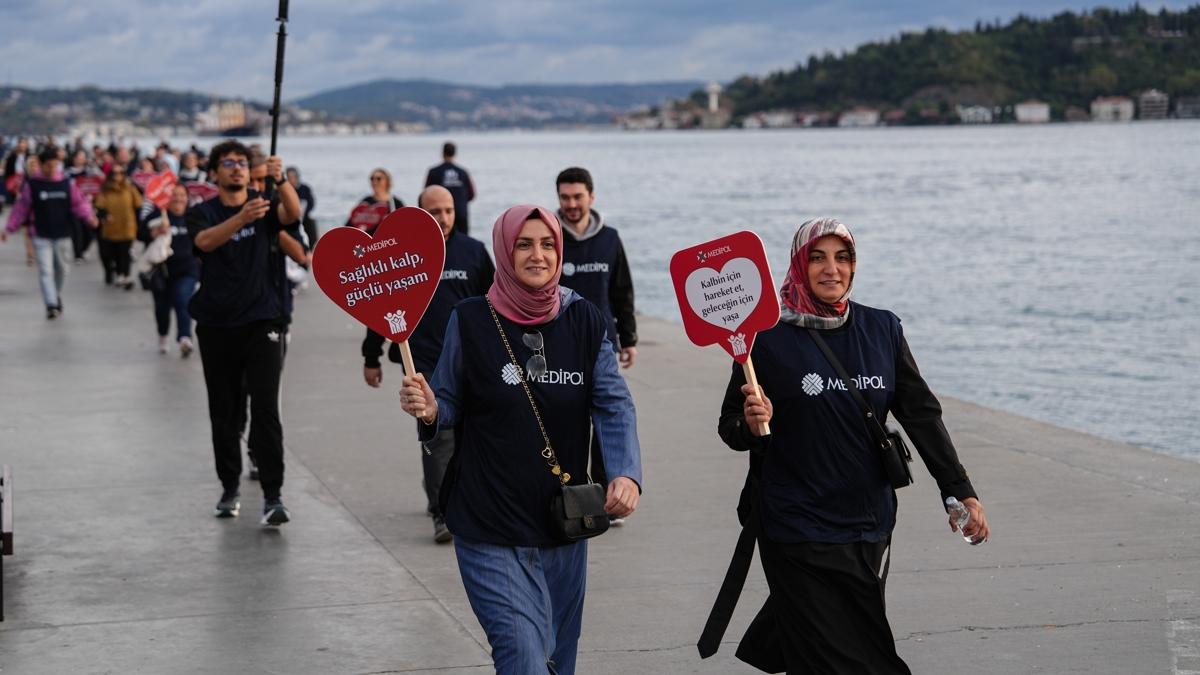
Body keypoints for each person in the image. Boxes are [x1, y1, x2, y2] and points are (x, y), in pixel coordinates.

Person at [715, 217, 990, 674]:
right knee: (845, 658)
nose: (831, 269)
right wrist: (750, 422)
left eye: (842, 257)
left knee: (851, 642)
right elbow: (730, 427)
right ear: (799, 264)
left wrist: (958, 490)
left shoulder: (882, 329)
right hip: (794, 524)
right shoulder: (763, 337)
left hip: (868, 523)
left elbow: (921, 415)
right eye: (817, 258)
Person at [399, 205, 642, 674]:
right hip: (488, 519)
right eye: (523, 245)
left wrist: (626, 472)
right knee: (523, 657)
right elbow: (447, 401)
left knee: (557, 658)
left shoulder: (585, 320)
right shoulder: (470, 319)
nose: (538, 255)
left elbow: (614, 403)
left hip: (565, 523)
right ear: (504, 254)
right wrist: (429, 408)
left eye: (547, 244)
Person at [362, 185, 494, 543]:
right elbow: (379, 307)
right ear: (421, 213)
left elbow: (495, 305)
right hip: (423, 362)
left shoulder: (474, 252)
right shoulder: (404, 254)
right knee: (438, 438)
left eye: (449, 210)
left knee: (472, 437)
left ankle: (465, 497)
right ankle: (441, 512)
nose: (444, 218)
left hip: (471, 361)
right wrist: (371, 355)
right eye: (434, 212)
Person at [187, 140, 303, 526]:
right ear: (215, 172)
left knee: (266, 410)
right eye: (228, 163)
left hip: (262, 322)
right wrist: (241, 219)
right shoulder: (202, 212)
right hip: (217, 326)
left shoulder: (263, 204)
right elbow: (203, 243)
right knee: (224, 412)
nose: (237, 169)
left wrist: (280, 179)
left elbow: (292, 213)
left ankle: (273, 495)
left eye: (241, 163)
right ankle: (229, 487)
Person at [555, 166, 638, 518]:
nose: (571, 204)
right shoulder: (551, 236)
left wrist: (629, 338)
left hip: (602, 344)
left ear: (591, 196)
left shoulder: (610, 238)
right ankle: (569, 492)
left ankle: (608, 497)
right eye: (564, 197)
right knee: (568, 423)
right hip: (558, 345)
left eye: (577, 196)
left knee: (608, 417)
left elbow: (622, 290)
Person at [2, 146, 97, 318]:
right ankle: (51, 304)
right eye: (49, 166)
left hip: (63, 234)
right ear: (42, 165)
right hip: (40, 234)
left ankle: (55, 293)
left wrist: (89, 217)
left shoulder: (66, 183)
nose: (52, 169)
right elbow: (21, 209)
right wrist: (9, 228)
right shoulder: (33, 185)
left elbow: (79, 203)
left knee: (62, 269)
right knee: (45, 270)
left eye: (55, 165)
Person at [138, 184, 199, 357]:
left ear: (187, 198)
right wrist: (156, 232)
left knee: (183, 300)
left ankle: (185, 337)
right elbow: (139, 233)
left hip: (188, 269)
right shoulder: (158, 214)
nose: (178, 198)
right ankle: (163, 335)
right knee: (162, 308)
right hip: (161, 271)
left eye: (182, 195)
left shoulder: (194, 216)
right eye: (174, 195)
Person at [94, 162, 144, 289]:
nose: (118, 176)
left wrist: (140, 225)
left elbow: (138, 205)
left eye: (121, 173)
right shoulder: (105, 189)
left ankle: (125, 275)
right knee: (111, 253)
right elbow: (99, 207)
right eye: (115, 173)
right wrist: (104, 215)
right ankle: (114, 272)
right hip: (110, 227)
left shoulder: (130, 188)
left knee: (125, 253)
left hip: (127, 225)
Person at [424, 142, 475, 236]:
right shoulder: (463, 172)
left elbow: (426, 195)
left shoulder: (434, 172)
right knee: (463, 244)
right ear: (455, 154)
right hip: (461, 213)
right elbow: (472, 194)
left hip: (440, 217)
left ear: (442, 153)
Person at [285, 166, 318, 249]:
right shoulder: (285, 190)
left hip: (303, 216)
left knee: (311, 223)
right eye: (289, 177)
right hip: (289, 217)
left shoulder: (305, 189)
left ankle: (312, 248)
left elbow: (311, 203)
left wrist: (303, 213)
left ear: (297, 177)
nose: (291, 179)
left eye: (292, 177)